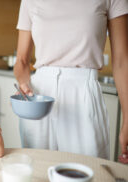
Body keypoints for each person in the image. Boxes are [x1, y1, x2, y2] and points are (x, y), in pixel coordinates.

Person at [14, 0, 128, 162]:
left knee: (90, 175)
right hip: (39, 97)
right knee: (38, 175)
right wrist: (23, 84)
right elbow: (21, 61)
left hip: (83, 93)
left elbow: (122, 62)